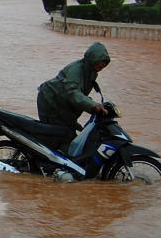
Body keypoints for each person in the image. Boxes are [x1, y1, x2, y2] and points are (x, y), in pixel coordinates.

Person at [36, 42, 111, 181]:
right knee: (58, 134)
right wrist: (92, 105)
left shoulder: (91, 72)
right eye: (99, 63)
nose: (101, 67)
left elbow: (80, 94)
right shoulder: (76, 70)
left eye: (104, 65)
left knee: (70, 135)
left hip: (63, 106)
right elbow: (73, 93)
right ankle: (46, 166)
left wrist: (97, 105)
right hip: (50, 101)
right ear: (92, 58)